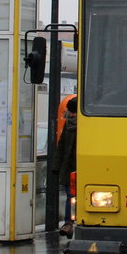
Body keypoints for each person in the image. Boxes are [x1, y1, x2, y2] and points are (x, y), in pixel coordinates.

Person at [53, 96, 77, 237]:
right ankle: (71, 223)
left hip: (69, 169)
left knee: (70, 196)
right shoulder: (87, 124)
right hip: (81, 167)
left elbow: (60, 148)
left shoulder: (68, 125)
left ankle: (69, 223)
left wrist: (56, 167)